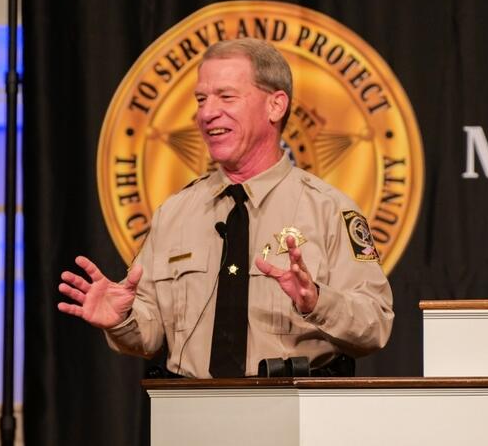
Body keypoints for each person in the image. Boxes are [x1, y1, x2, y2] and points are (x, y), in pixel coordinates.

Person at [58, 38, 393, 377]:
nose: (206, 112)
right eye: (201, 99)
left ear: (275, 106)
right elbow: (150, 334)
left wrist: (316, 301)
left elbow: (375, 324)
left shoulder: (329, 210)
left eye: (226, 96)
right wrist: (122, 320)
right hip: (192, 417)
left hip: (292, 416)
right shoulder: (174, 213)